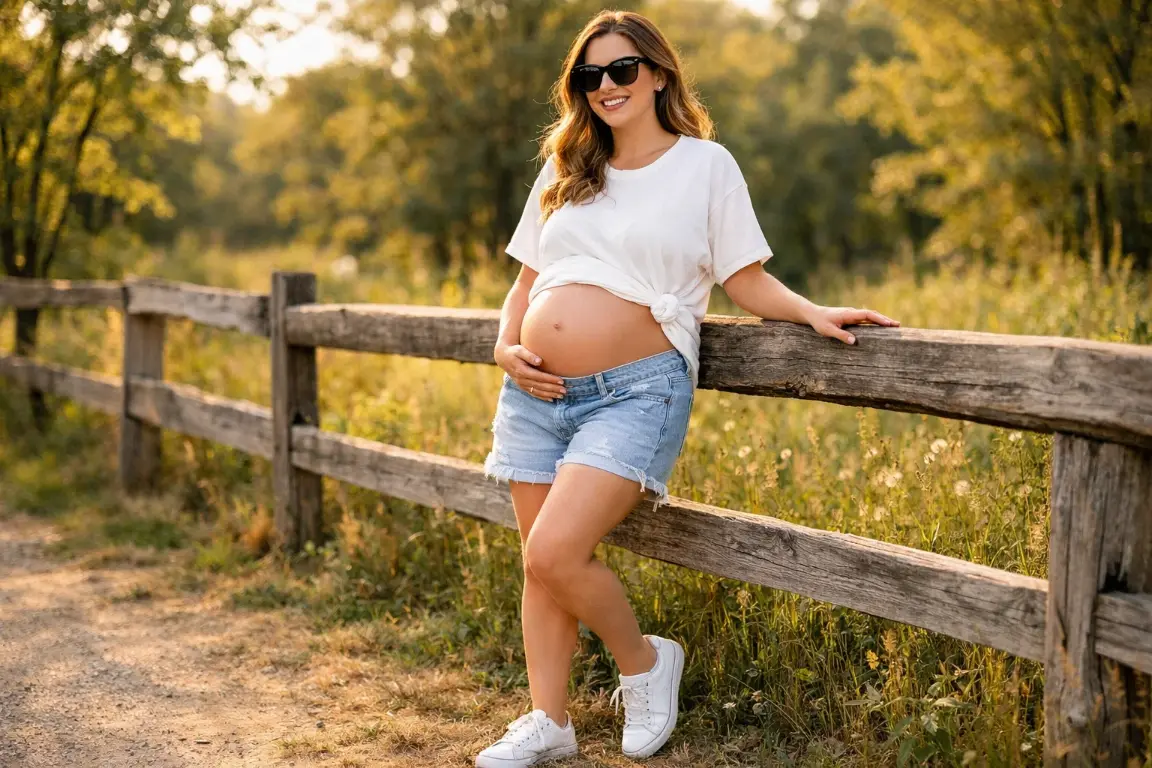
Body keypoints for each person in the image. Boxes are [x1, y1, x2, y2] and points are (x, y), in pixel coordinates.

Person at [476, 9, 900, 767]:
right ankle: (550, 721)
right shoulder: (567, 169)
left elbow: (744, 278)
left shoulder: (705, 166)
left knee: (558, 550)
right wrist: (506, 347)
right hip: (534, 392)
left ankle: (643, 663)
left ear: (659, 73)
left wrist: (811, 311)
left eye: (622, 70)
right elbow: (526, 282)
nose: (606, 86)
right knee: (538, 562)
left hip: (637, 390)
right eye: (589, 75)